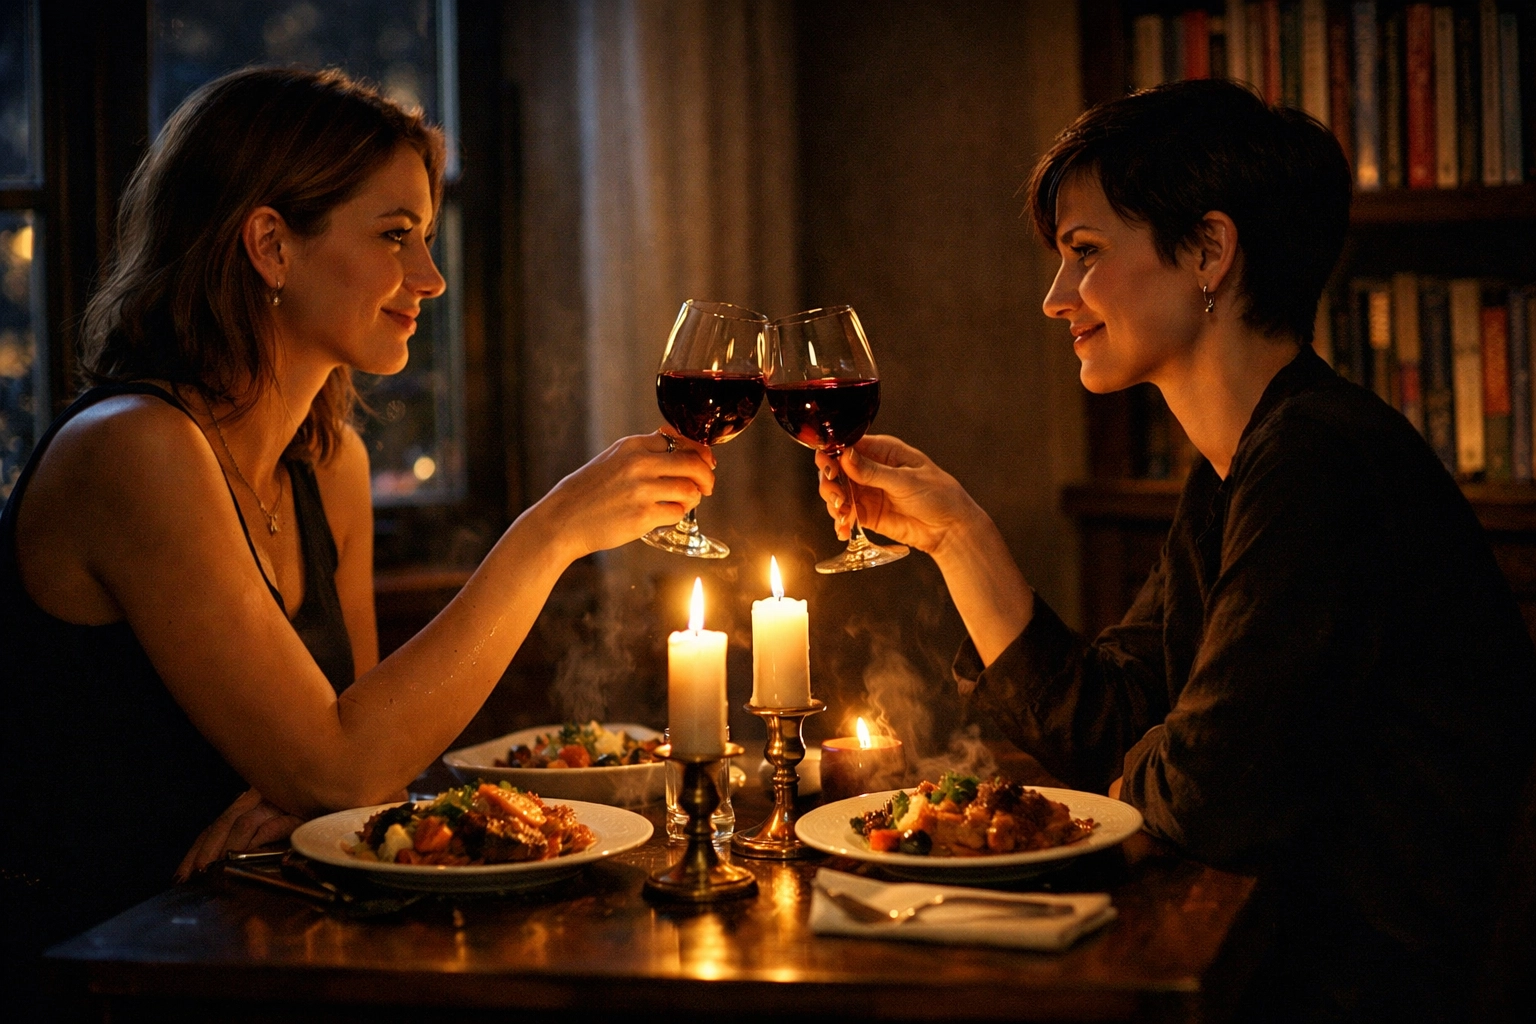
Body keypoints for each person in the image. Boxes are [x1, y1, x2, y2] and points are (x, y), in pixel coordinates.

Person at [814, 79, 1536, 1021]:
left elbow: (1202, 800)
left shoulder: (1318, 461)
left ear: (1208, 251)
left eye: (1085, 252)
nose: (1054, 299)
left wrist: (1152, 772)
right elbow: (1112, 724)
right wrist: (957, 536)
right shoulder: (1238, 465)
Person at [0, 67, 713, 988]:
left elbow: (366, 771)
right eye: (394, 235)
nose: (431, 277)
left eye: (426, 237)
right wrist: (552, 534)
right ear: (271, 245)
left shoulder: (327, 462)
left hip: (256, 949)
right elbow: (342, 767)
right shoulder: (133, 449)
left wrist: (320, 790)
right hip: (92, 969)